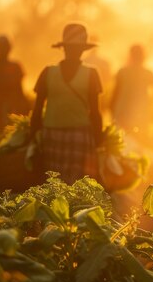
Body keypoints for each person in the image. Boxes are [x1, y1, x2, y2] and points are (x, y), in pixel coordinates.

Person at [29, 23, 103, 184]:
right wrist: (98, 142)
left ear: (64, 48)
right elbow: (95, 113)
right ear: (83, 49)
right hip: (79, 137)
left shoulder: (48, 72)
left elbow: (37, 111)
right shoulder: (91, 74)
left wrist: (31, 138)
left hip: (53, 137)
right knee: (75, 185)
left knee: (53, 184)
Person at [111, 44, 153, 140]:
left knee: (122, 141)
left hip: (122, 111)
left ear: (130, 56)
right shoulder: (148, 73)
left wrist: (111, 108)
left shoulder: (122, 71)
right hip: (141, 113)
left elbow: (115, 93)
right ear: (143, 57)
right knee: (139, 141)